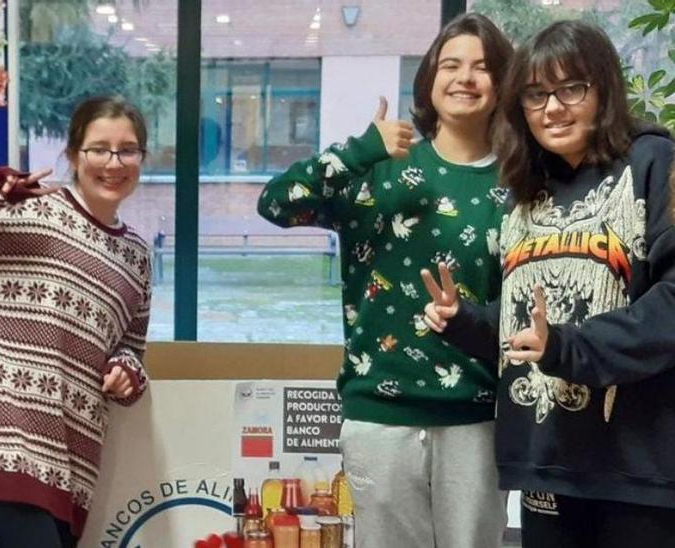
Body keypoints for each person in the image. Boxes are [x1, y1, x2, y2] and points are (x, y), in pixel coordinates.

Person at [257, 13, 512, 547]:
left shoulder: (518, 184)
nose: (465, 77)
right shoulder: (380, 167)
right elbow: (276, 203)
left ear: (502, 84)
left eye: (483, 68)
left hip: (478, 417)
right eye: (452, 65)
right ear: (429, 80)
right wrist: (358, 151)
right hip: (380, 414)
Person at [424, 20, 675, 546]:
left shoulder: (655, 162)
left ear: (603, 90)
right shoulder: (526, 190)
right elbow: (528, 328)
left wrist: (567, 346)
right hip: (546, 460)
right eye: (535, 95)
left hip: (639, 467)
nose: (552, 109)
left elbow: (668, 308)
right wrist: (465, 320)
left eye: (571, 89)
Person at [0, 95, 153, 547]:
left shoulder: (136, 257)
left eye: (128, 149)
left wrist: (127, 372)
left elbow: (132, 348)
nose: (113, 162)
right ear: (74, 155)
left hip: (69, 452)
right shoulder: (20, 211)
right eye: (99, 148)